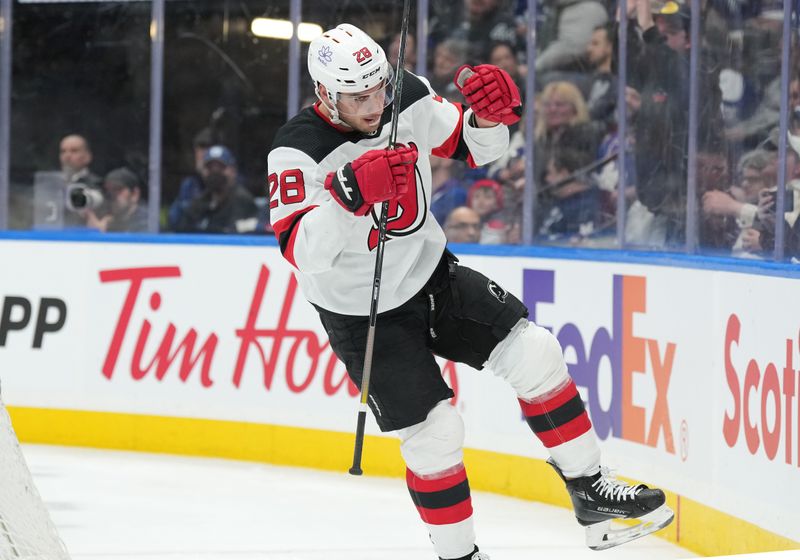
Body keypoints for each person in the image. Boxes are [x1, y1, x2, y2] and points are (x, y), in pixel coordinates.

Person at [267, 23, 672, 560]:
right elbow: (302, 252)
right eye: (358, 96)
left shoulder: (403, 93)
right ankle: (459, 556)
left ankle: (592, 492)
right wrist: (351, 196)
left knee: (536, 353)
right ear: (326, 93)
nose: (375, 104)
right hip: (362, 314)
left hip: (430, 273)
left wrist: (488, 116)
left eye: (379, 88)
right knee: (435, 436)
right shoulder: (295, 151)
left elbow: (474, 147)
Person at [176, 145, 258, 234]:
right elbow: (183, 230)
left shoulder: (242, 200)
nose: (215, 172)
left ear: (233, 171)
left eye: (221, 167)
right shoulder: (199, 201)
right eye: (210, 168)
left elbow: (235, 233)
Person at [85, 167, 149, 233]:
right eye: (107, 190)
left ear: (134, 194)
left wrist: (101, 235)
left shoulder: (146, 221)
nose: (111, 195)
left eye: (117, 189)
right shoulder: (107, 217)